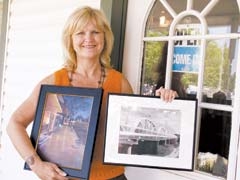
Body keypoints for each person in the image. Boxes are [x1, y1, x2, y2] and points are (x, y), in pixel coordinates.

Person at [6, 6, 177, 180]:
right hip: (66, 177)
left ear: (105, 37)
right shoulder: (54, 82)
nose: (88, 39)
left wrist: (163, 104)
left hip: (112, 177)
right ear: (70, 40)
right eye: (80, 33)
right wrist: (37, 165)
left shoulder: (119, 82)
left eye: (95, 32)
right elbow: (15, 123)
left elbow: (133, 125)